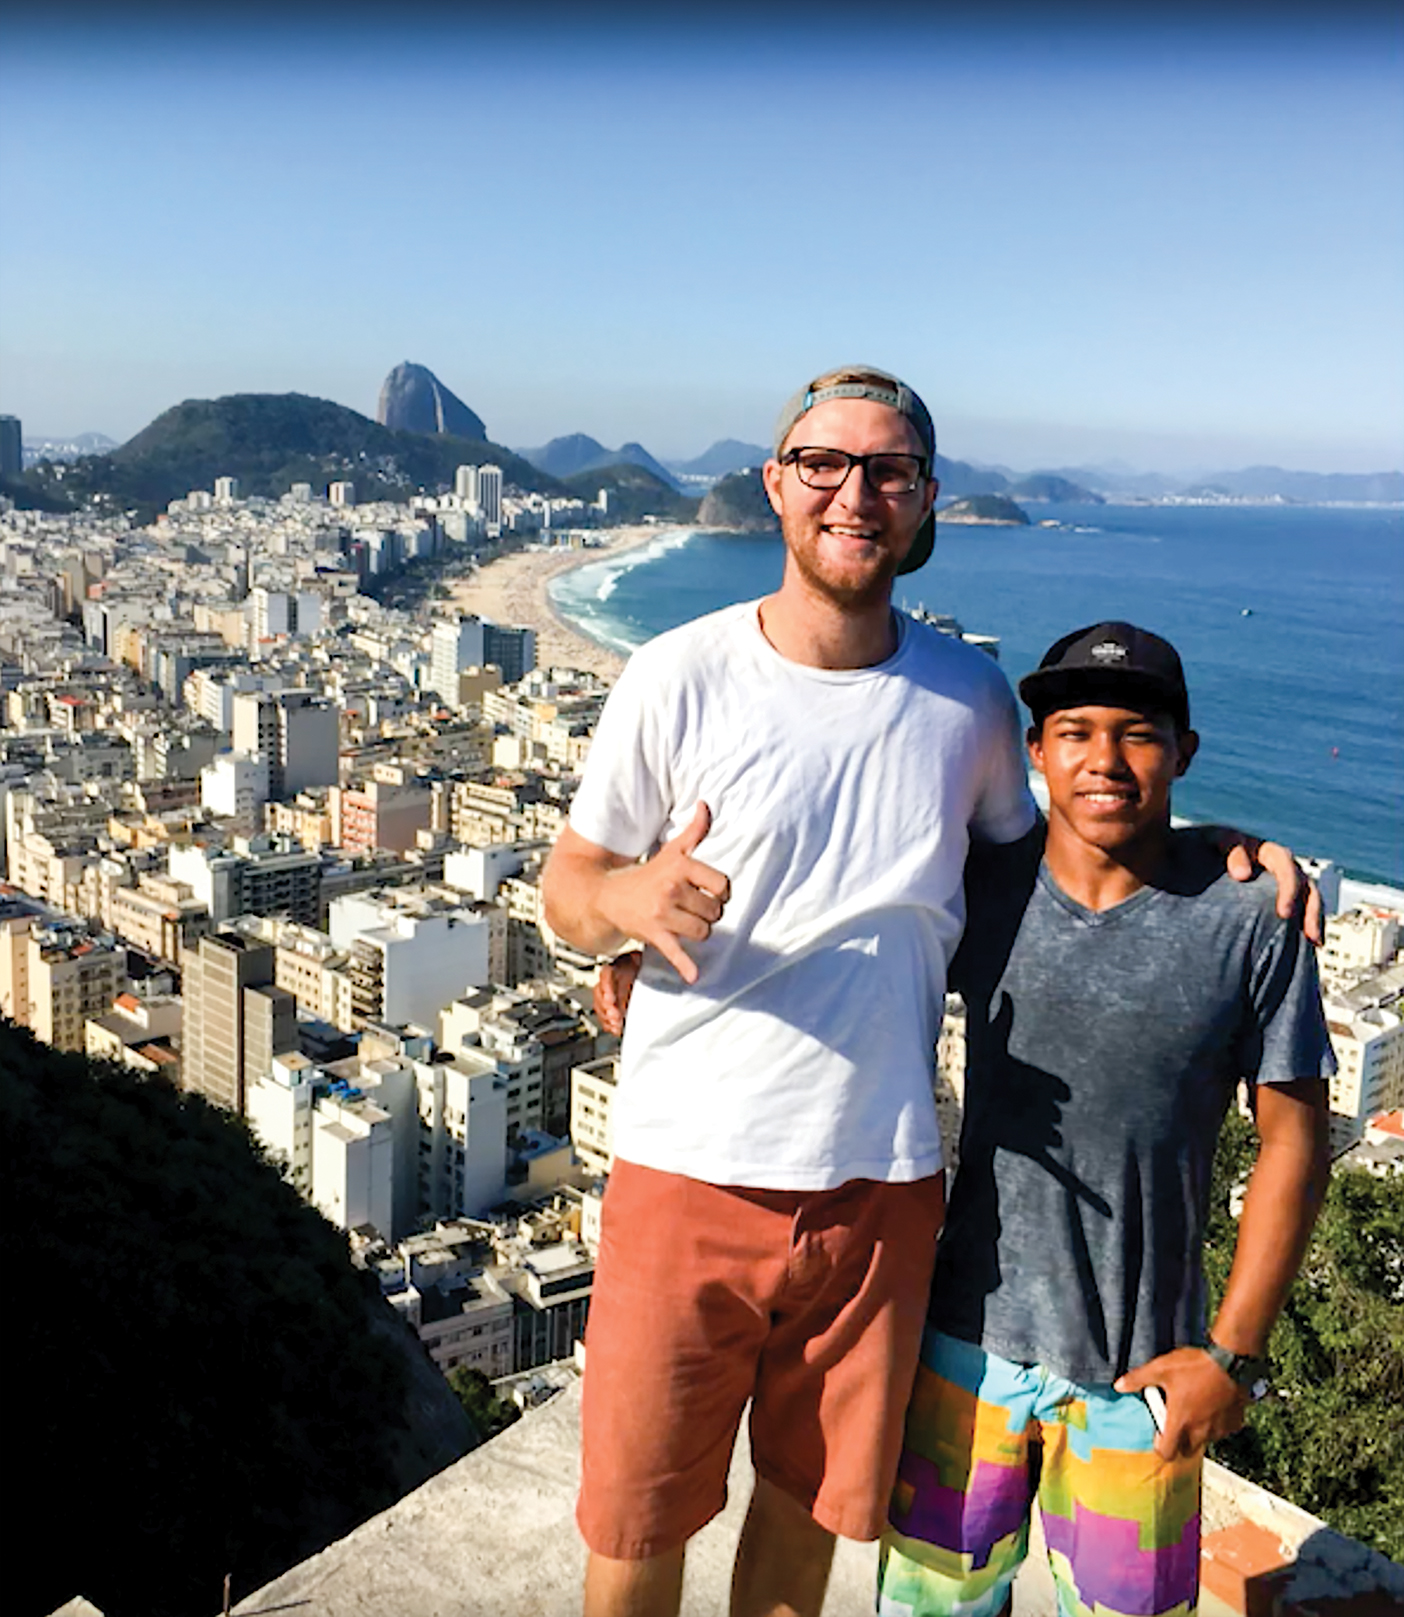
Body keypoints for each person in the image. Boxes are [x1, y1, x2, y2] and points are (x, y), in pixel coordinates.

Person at [544, 365, 1309, 1617]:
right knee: (638, 1523)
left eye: (889, 471)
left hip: (882, 1190)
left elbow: (1053, 854)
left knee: (808, 1513)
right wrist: (621, 908)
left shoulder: (966, 700)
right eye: (825, 465)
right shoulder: (675, 674)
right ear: (775, 484)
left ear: (926, 501)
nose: (856, 493)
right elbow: (567, 886)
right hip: (686, 1171)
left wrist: (1219, 846)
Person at [877, 622, 1333, 1617]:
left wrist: (1234, 1357)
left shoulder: (1252, 920)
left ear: (1183, 752)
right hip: (964, 1347)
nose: (1104, 759)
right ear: (1034, 753)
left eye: (1137, 733)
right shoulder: (977, 892)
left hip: (1146, 1378)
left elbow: (1294, 1141)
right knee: (928, 1610)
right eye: (1074, 731)